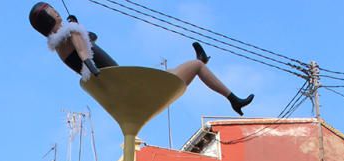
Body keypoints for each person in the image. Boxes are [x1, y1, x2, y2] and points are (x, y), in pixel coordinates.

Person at [28, 3, 254, 116]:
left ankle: (226, 90)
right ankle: (227, 93)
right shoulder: (70, 35)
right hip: (127, 86)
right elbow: (82, 48)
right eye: (52, 11)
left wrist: (83, 35)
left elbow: (86, 42)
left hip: (124, 87)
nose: (57, 12)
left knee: (191, 67)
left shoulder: (62, 42)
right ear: (47, 19)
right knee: (193, 67)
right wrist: (89, 62)